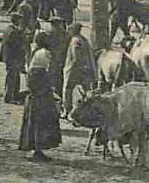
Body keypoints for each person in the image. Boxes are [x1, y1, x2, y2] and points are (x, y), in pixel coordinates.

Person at [19, 31, 62, 161]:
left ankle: (36, 149)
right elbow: (43, 75)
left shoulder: (36, 52)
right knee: (40, 123)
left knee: (35, 123)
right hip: (40, 96)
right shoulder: (43, 54)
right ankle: (37, 150)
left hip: (36, 95)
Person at [62, 21, 94, 117]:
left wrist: (70, 68)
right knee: (87, 91)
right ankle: (89, 109)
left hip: (74, 69)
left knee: (67, 89)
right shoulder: (84, 40)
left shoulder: (74, 41)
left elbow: (76, 57)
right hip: (86, 69)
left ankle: (67, 111)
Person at [1, 11, 28, 104]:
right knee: (12, 78)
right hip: (13, 58)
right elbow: (17, 46)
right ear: (17, 21)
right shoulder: (13, 32)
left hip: (9, 58)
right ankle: (9, 97)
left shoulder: (9, 30)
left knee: (13, 77)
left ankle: (12, 95)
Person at [49, 18, 70, 100]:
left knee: (54, 79)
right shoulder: (65, 34)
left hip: (56, 59)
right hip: (62, 60)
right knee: (59, 80)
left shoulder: (52, 34)